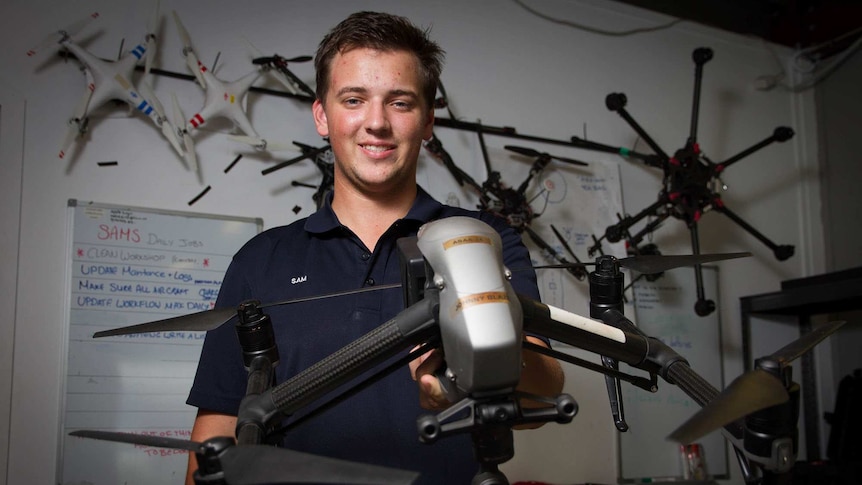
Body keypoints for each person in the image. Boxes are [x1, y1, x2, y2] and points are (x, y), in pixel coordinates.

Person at [185, 11, 564, 485]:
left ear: (428, 121)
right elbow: (218, 422)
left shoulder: (482, 238)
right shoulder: (260, 260)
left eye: (400, 102)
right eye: (354, 99)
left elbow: (543, 390)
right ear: (322, 115)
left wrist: (477, 356)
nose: (377, 123)